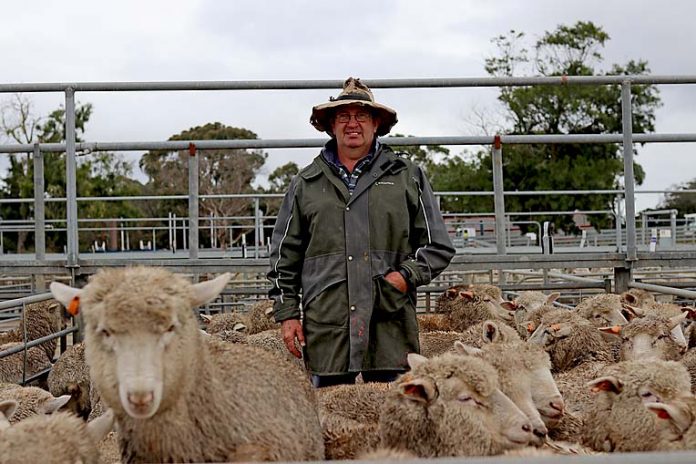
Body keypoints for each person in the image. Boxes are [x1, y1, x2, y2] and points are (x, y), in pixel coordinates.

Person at [267, 77, 455, 387]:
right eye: (343, 116)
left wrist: (404, 277)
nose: (352, 123)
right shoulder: (306, 183)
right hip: (328, 324)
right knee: (330, 409)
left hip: (389, 322)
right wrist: (288, 314)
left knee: (394, 406)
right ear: (331, 125)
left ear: (376, 123)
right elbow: (283, 258)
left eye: (362, 116)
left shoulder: (407, 177)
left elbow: (438, 246)